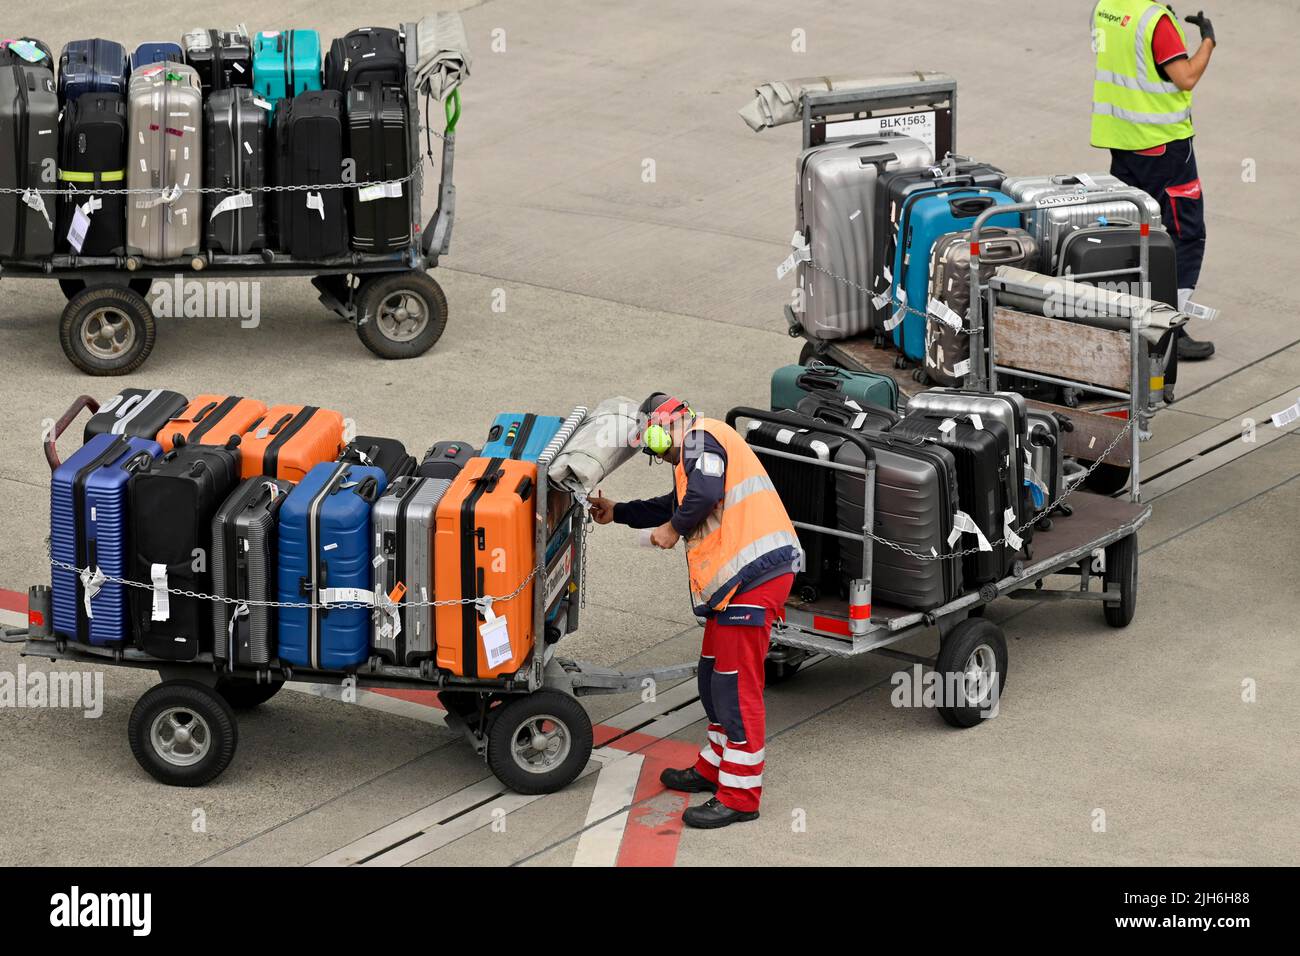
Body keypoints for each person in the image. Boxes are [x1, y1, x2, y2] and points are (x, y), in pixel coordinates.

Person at [588, 394, 800, 829]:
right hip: (736, 585)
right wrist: (620, 512)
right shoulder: (695, 456)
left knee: (736, 686)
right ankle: (714, 767)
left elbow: (700, 496)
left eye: (652, 438)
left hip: (756, 578)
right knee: (712, 677)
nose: (656, 450)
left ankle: (740, 796)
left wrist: (671, 530)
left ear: (668, 420)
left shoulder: (701, 436)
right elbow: (677, 501)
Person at [1091, 2, 1217, 360]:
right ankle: (1166, 332)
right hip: (1164, 146)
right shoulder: (1155, 22)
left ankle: (1132, 316)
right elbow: (1186, 77)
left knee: (1137, 231)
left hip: (1122, 142)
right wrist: (1207, 41)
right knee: (1185, 233)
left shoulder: (1105, 9)